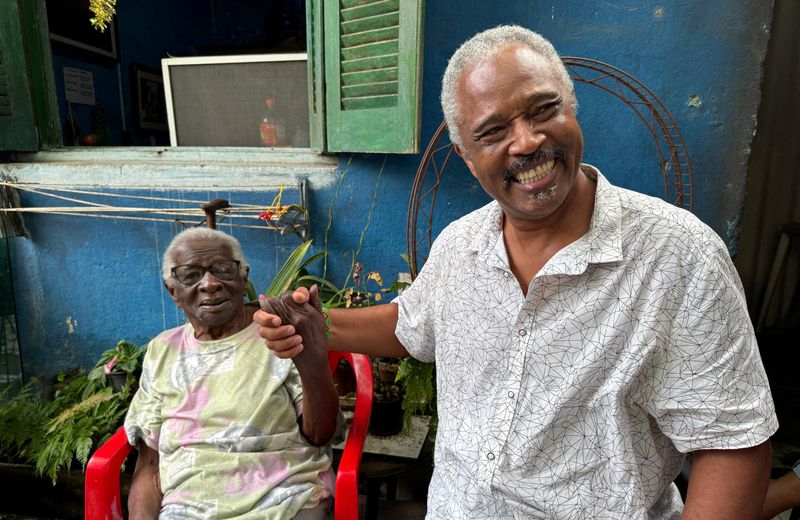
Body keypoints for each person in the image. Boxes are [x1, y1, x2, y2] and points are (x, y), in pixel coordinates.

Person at [255, 25, 778, 519]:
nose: (526, 141)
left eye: (543, 109)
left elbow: (731, 445)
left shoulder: (679, 256)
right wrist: (319, 327)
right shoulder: (461, 245)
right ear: (464, 155)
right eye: (493, 131)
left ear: (572, 108)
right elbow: (415, 324)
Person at [124, 227, 341, 519]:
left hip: (284, 499)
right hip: (187, 509)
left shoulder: (279, 334)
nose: (210, 283)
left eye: (223, 269)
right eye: (190, 275)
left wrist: (310, 357)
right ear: (173, 291)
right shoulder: (162, 351)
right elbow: (149, 466)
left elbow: (321, 433)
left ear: (244, 277)